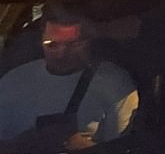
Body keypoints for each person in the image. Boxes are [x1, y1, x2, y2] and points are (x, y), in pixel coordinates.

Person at [0, 9, 138, 151]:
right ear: (40, 41)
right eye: (52, 44)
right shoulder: (13, 81)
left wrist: (91, 150)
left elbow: (124, 147)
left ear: (89, 41)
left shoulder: (113, 82)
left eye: (73, 45)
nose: (61, 54)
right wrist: (30, 140)